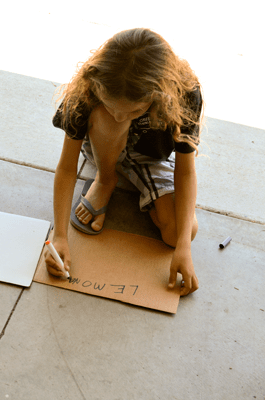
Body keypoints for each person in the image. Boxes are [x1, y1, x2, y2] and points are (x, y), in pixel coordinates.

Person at [46, 28, 203, 296]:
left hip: (149, 155)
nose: (121, 117)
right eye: (111, 104)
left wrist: (183, 250)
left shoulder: (185, 92)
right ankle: (105, 179)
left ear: (160, 90)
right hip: (101, 143)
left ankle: (143, 189)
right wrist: (60, 236)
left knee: (181, 233)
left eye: (135, 110)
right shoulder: (88, 88)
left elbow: (185, 172)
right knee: (109, 123)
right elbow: (66, 167)